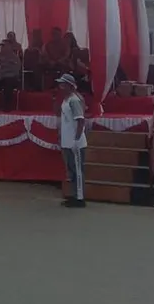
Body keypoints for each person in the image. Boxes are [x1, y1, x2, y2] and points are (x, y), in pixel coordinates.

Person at [56, 73, 87, 208]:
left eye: (63, 84)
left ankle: (80, 198)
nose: (60, 87)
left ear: (69, 86)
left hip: (76, 142)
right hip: (67, 141)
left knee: (78, 170)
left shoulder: (74, 100)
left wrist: (76, 139)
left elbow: (80, 121)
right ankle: (74, 195)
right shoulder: (65, 100)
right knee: (71, 170)